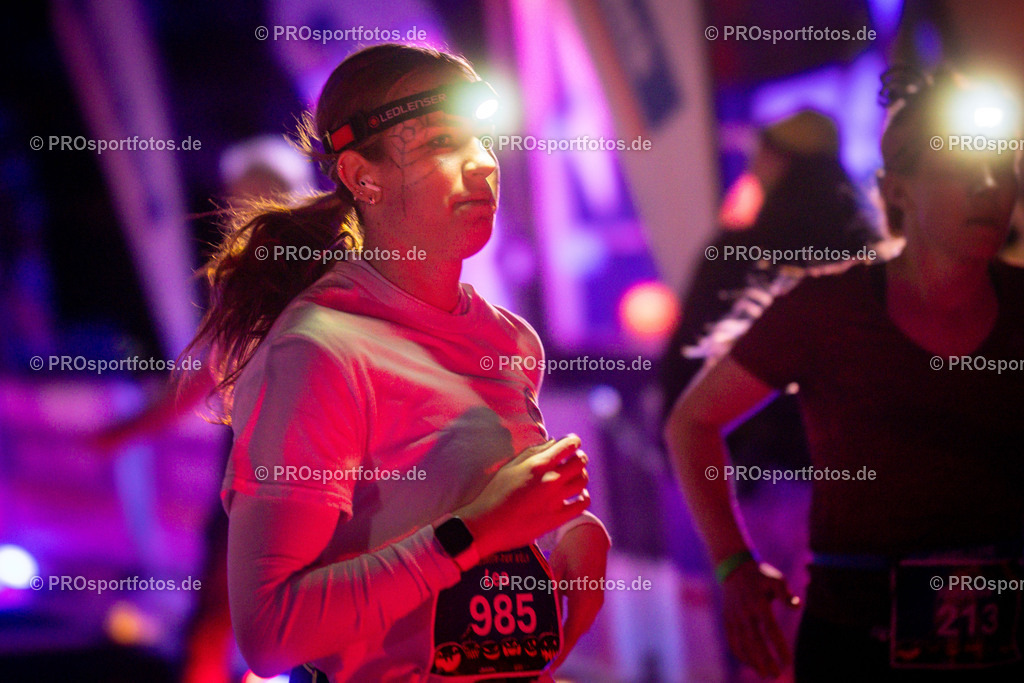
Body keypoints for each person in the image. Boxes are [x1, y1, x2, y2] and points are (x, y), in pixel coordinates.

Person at [184, 43, 611, 682]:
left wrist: (572, 549)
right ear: (363, 176)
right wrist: (479, 529)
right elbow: (270, 634)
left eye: (484, 142)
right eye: (443, 142)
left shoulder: (509, 340)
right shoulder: (318, 349)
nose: (483, 167)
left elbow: (505, 526)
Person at [664, 65, 1024, 680]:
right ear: (898, 191)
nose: (991, 187)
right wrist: (733, 564)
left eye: (1004, 168)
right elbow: (692, 420)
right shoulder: (830, 306)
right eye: (962, 171)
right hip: (855, 642)